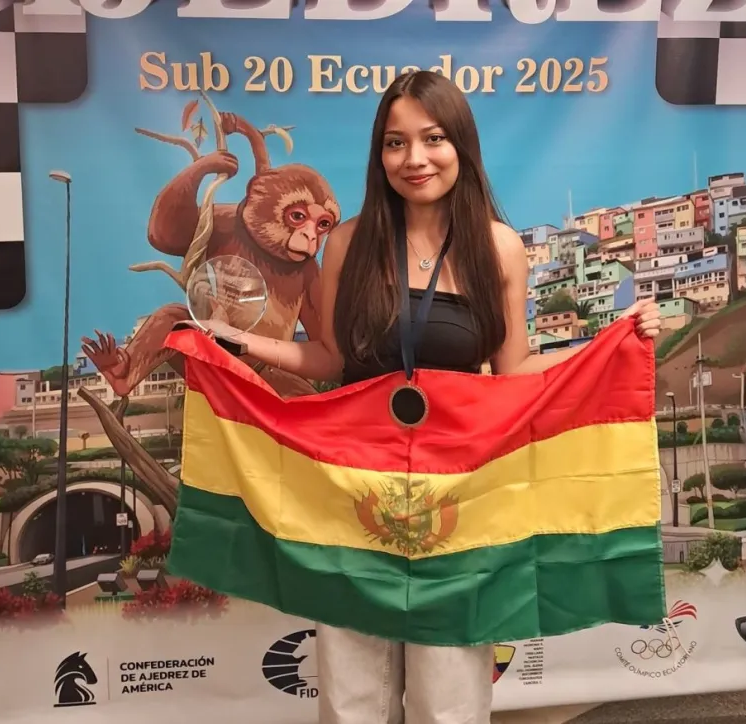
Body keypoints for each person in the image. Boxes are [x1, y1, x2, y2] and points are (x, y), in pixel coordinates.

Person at [204, 70, 661, 723]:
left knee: (449, 702)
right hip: (354, 494)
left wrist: (610, 344)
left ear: (461, 145)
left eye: (433, 139)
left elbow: (513, 369)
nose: (414, 158)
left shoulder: (497, 248)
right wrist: (242, 344)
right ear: (380, 154)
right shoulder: (349, 242)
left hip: (458, 499)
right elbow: (331, 359)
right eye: (396, 143)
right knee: (351, 699)